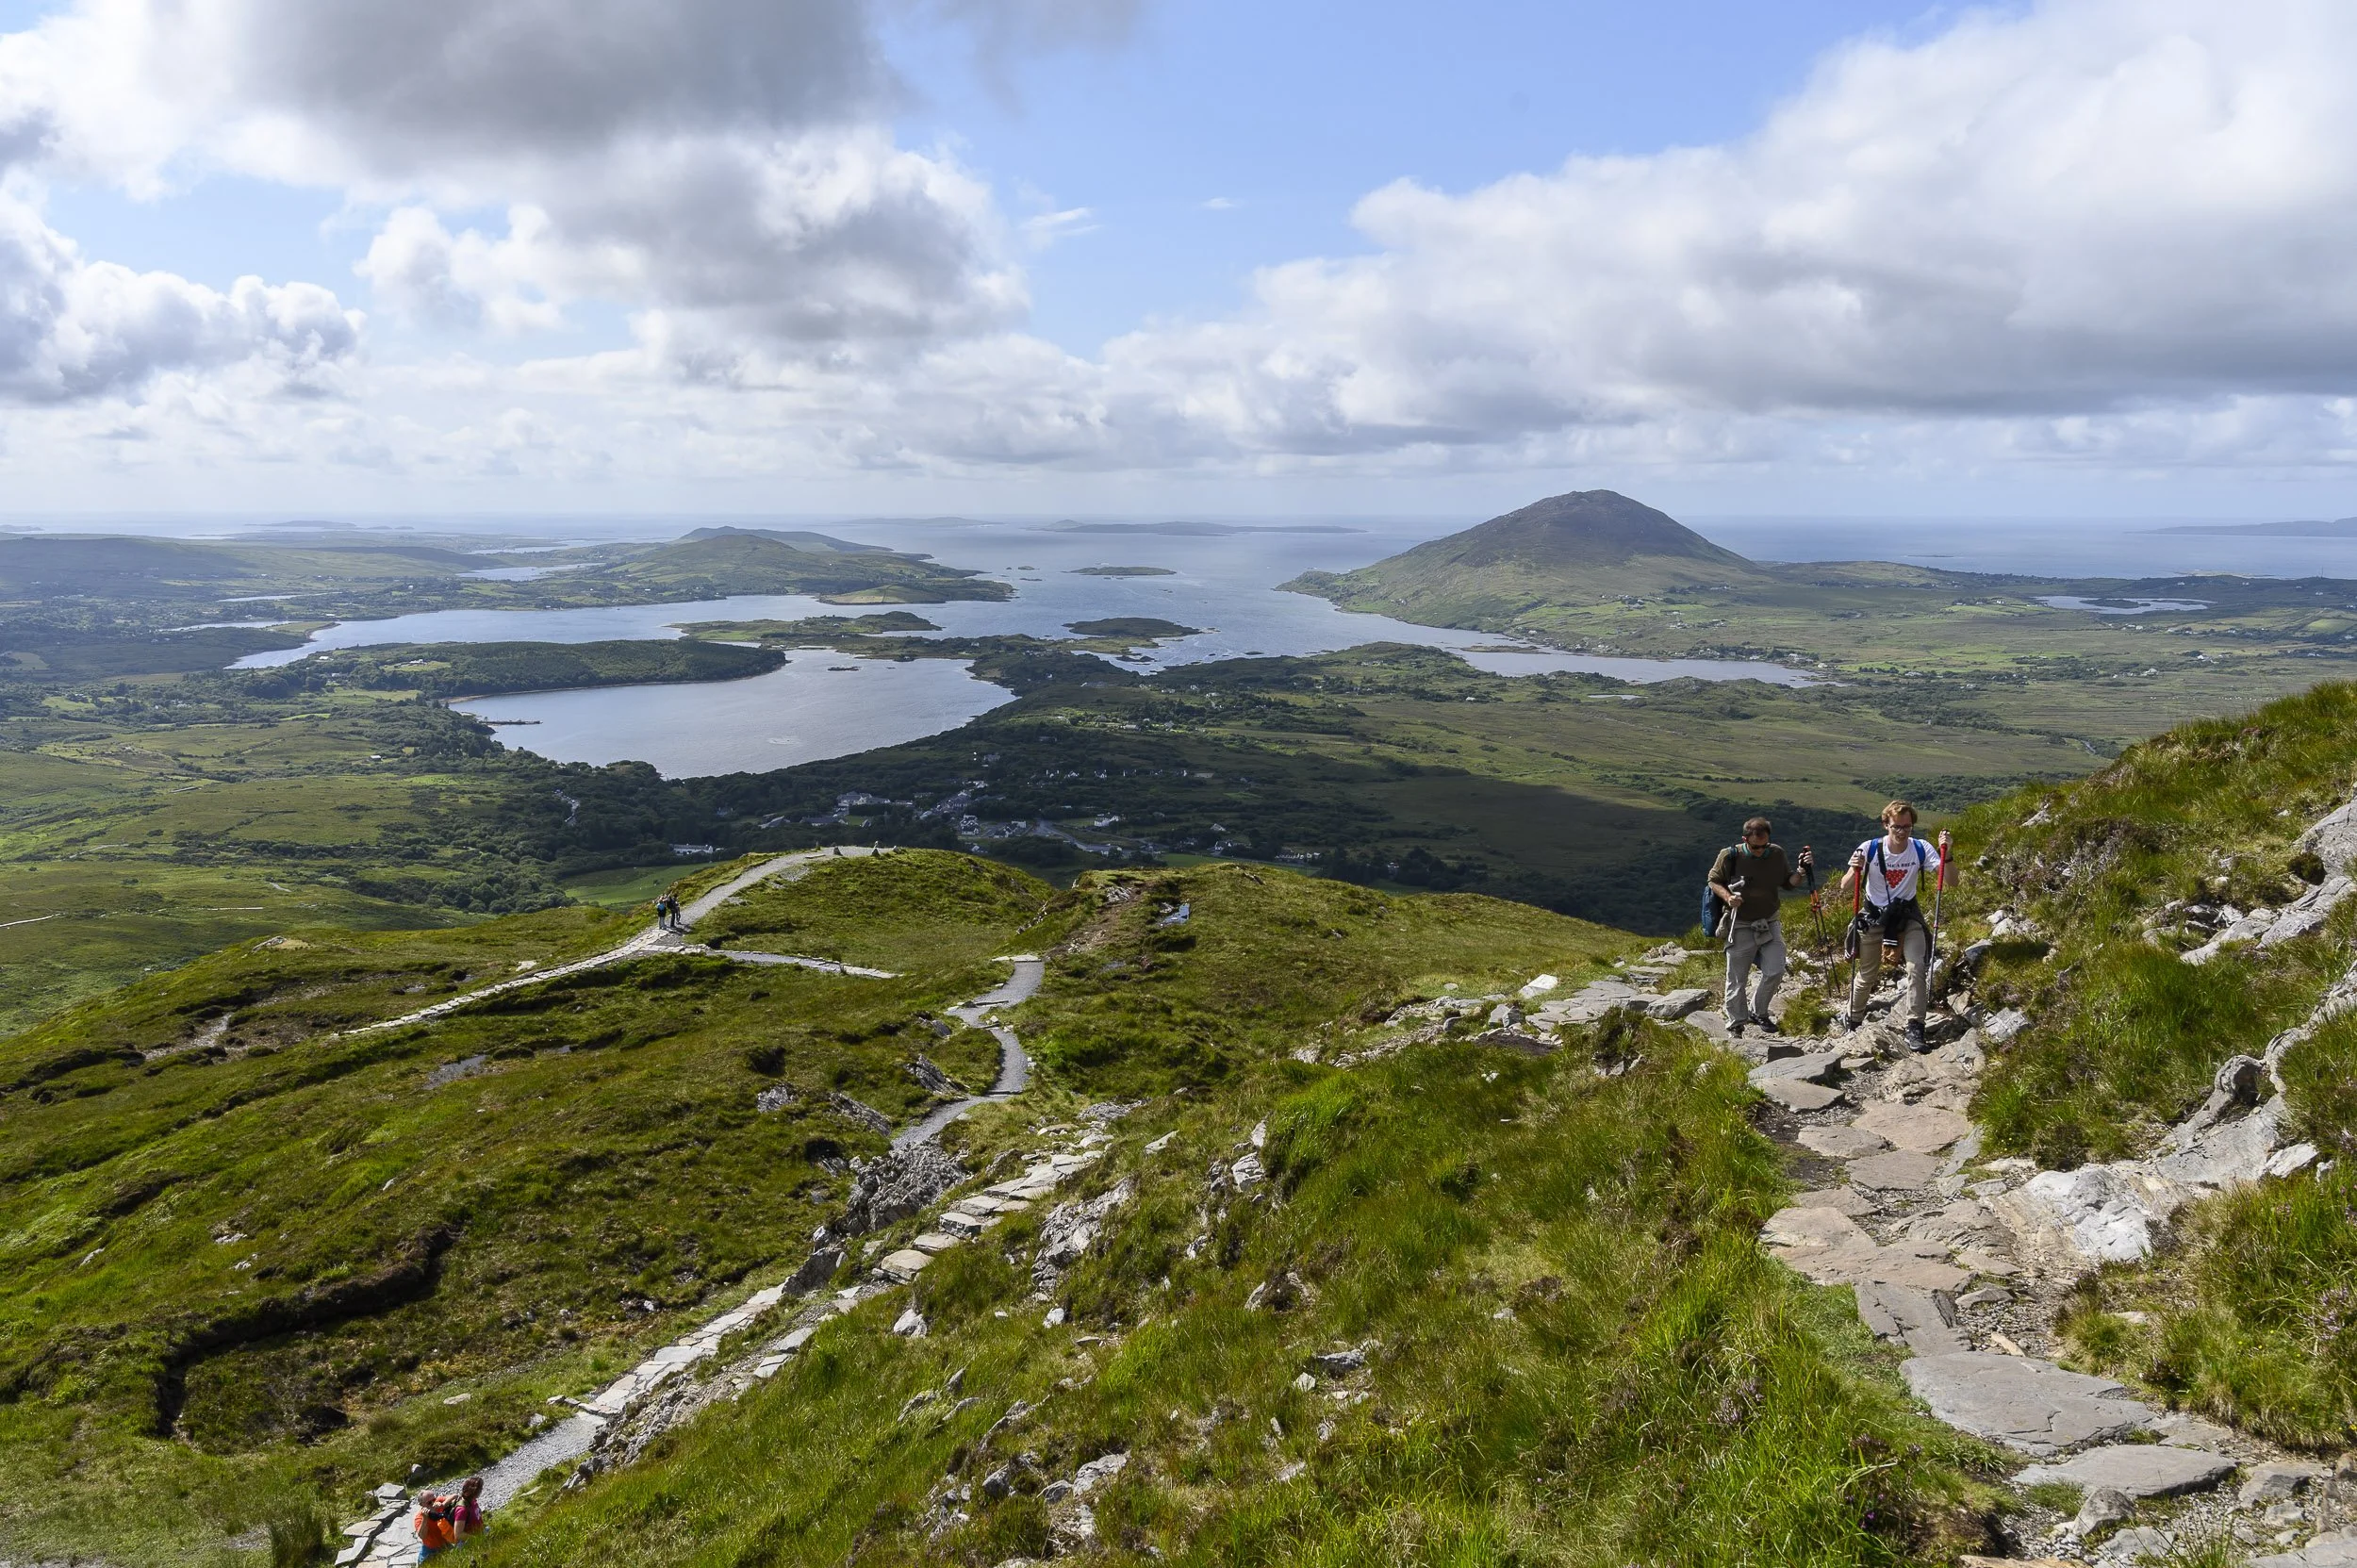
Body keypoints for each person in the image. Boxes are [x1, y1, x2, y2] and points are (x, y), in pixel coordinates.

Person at [1841, 800, 1953, 1050]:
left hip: (1907, 917)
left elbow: (1952, 881)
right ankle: (1854, 1017)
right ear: (1886, 825)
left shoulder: (1921, 848)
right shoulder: (1869, 848)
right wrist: (1855, 869)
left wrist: (1948, 854)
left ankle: (1915, 1026)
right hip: (1874, 917)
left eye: (1907, 827)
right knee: (1868, 974)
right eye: (1896, 827)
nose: (1901, 832)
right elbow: (1845, 885)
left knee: (1916, 968)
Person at [1707, 817, 1816, 1037]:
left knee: (1775, 970)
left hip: (1769, 921)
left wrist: (1802, 870)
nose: (1759, 850)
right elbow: (1713, 880)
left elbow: (1788, 883)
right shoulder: (1729, 855)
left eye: (1764, 845)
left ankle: (1759, 1011)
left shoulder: (1776, 853)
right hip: (1739, 923)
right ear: (1745, 839)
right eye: (1754, 846)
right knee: (1737, 978)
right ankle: (1736, 1023)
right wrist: (1728, 898)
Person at [413, 1492, 457, 1561]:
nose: (433, 1503)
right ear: (422, 1505)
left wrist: (443, 1504)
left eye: (434, 1499)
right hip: (430, 1548)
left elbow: (455, 1495)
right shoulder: (419, 1518)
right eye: (429, 1502)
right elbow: (422, 1536)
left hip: (445, 1543)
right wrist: (425, 1519)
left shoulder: (438, 1502)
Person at [453, 1477, 485, 1543]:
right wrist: (477, 1540)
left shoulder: (473, 1500)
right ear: (472, 1491)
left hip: (479, 1533)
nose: (481, 1490)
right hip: (468, 1542)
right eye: (479, 1488)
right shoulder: (462, 1510)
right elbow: (458, 1534)